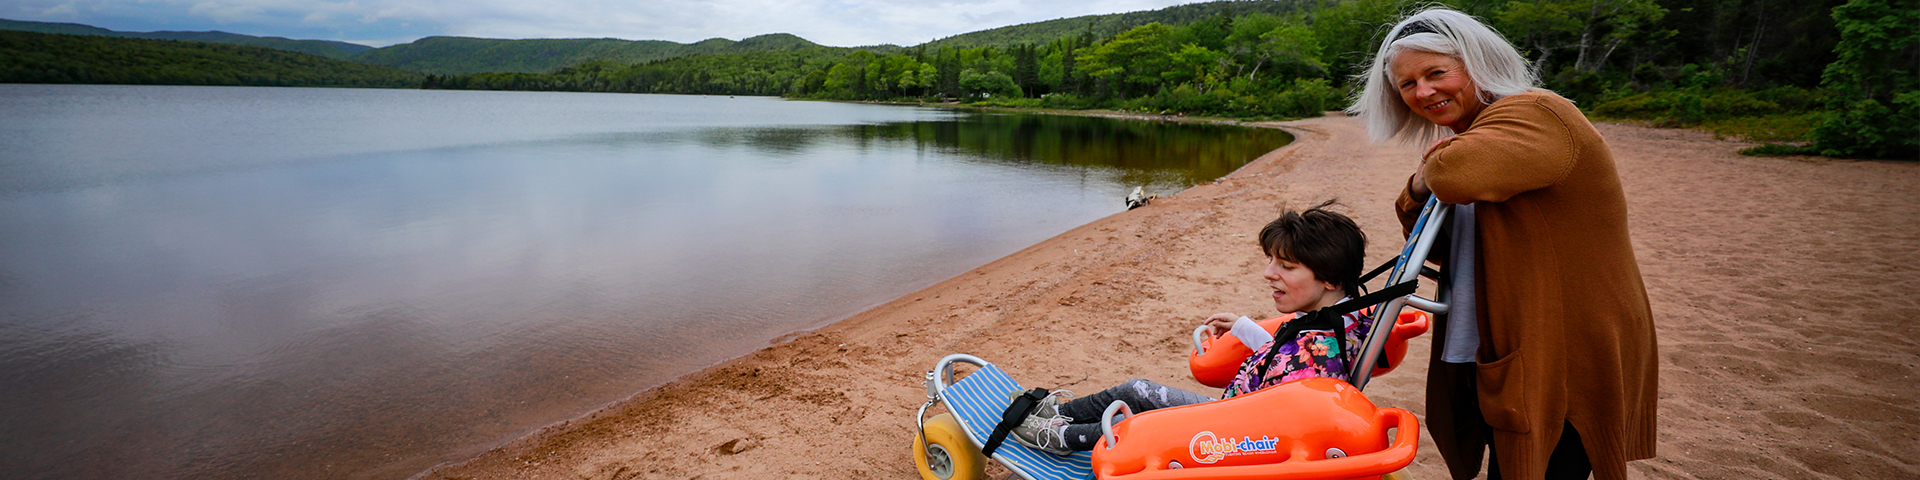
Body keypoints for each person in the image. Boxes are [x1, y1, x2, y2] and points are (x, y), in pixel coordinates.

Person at [1347, 8, 1658, 480]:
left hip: (1563, 342)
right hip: (1500, 339)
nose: (1424, 92)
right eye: (1408, 84)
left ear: (1476, 64)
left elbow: (1454, 174)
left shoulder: (1538, 112)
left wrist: (1434, 168)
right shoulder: (1480, 136)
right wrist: (1419, 182)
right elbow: (1436, 239)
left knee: (1545, 463)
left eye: (1436, 73)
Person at [1009, 201, 1372, 455]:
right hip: (1236, 414)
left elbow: (1275, 421)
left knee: (1139, 418)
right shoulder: (1336, 322)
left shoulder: (1314, 358)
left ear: (1329, 277)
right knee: (1137, 390)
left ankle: (1059, 437)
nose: (1269, 274)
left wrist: (1194, 422)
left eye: (1286, 267)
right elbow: (1287, 354)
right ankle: (1060, 415)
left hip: (1229, 434)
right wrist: (1245, 329)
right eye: (1271, 261)